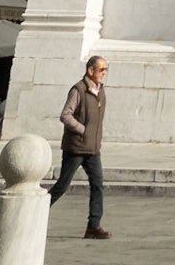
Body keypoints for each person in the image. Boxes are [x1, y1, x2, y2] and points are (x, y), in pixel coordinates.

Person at [48, 55, 110, 238]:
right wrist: (83, 130)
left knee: (98, 184)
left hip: (92, 148)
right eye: (101, 70)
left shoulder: (101, 91)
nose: (104, 73)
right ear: (90, 70)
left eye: (106, 69)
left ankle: (94, 226)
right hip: (75, 148)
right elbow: (65, 115)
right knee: (62, 186)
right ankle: (35, 212)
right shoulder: (78, 90)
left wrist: (96, 137)